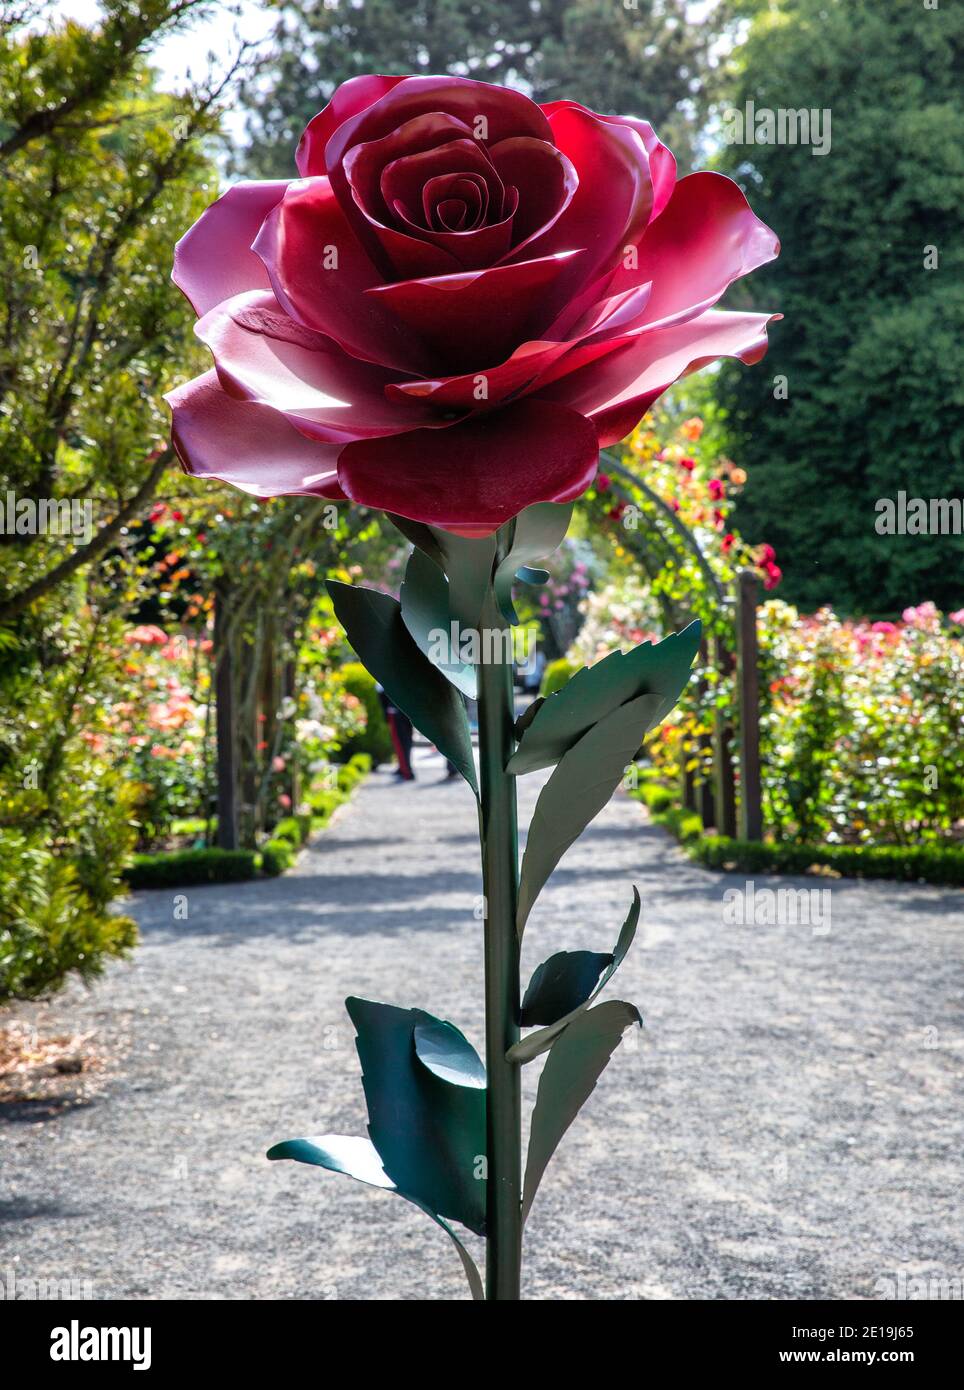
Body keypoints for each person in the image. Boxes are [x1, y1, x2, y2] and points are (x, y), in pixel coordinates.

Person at [375, 683, 415, 781]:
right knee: (406, 742)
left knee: (400, 743)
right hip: (406, 711)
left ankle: (406, 771)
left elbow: (380, 692)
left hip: (395, 712)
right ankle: (403, 768)